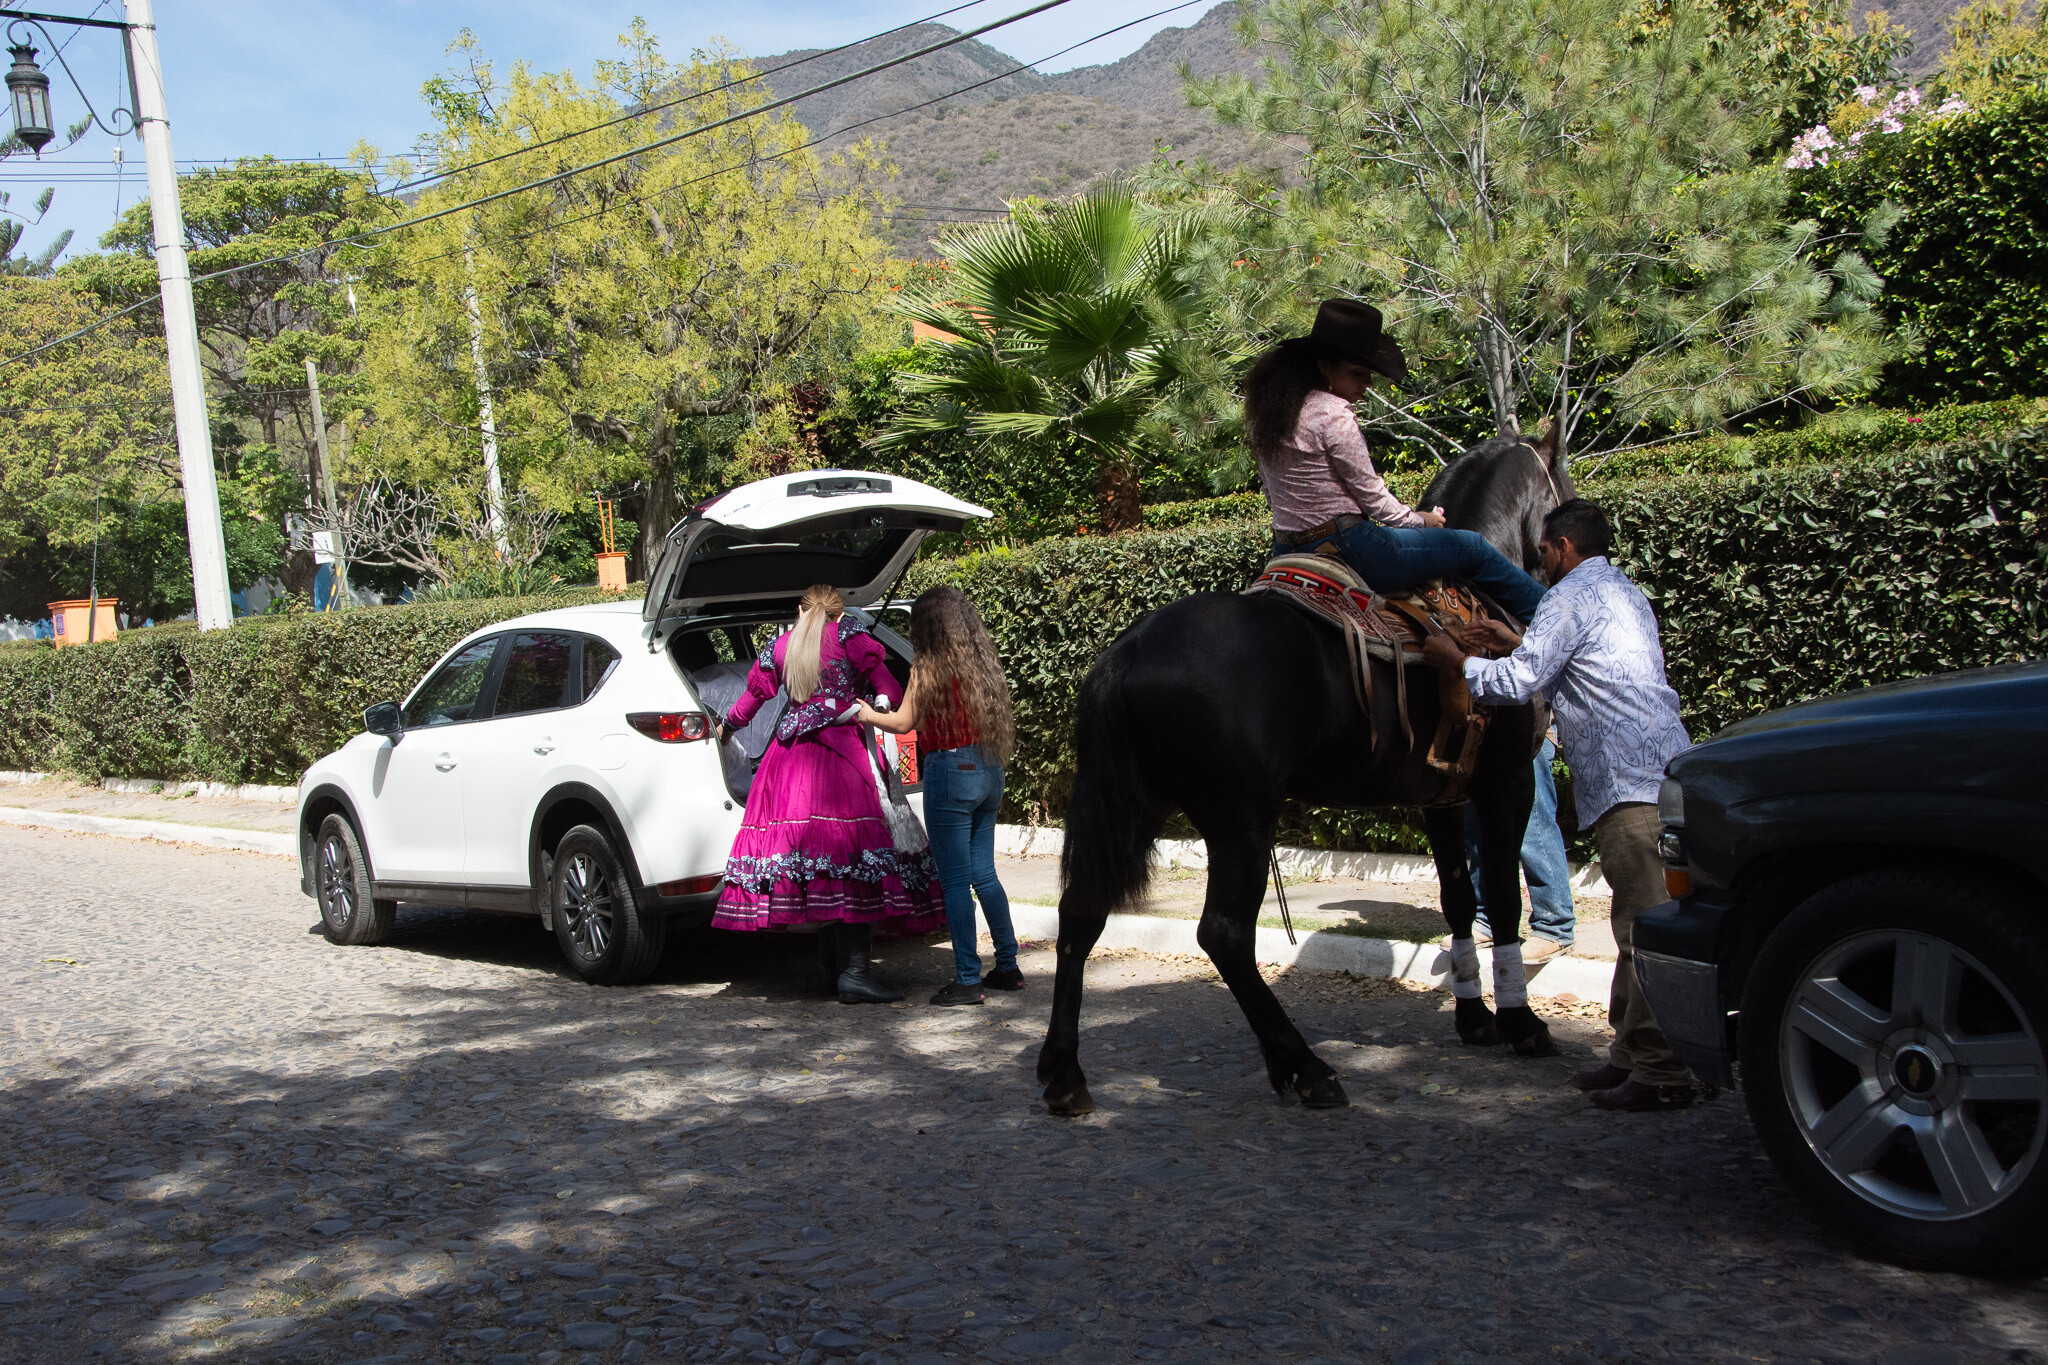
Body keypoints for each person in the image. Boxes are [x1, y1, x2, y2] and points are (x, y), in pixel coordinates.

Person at [1422, 499, 1695, 1112]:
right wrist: (1515, 640)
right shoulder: (1622, 593)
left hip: (1631, 787)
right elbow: (1576, 668)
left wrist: (1456, 661)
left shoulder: (1565, 599)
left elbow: (1520, 683)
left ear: (1563, 548)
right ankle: (1630, 1054)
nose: (1539, 559)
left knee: (1645, 926)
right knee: (1635, 922)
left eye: (1543, 550)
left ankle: (1660, 1071)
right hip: (1659, 773)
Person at [1246, 298, 1547, 624]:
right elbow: (1371, 496)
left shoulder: (1272, 414)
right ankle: (1559, 619)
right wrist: (1421, 521)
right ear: (1325, 367)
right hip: (1350, 548)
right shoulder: (1334, 414)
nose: (1368, 384)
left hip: (1286, 551)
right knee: (1473, 547)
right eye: (1358, 373)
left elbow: (1269, 488)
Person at [714, 584, 946, 1004]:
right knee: (851, 859)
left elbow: (748, 704)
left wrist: (725, 727)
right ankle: (854, 973)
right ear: (838, 613)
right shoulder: (848, 634)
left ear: (799, 611)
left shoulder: (780, 646)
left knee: (817, 867)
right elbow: (890, 690)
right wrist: (873, 704)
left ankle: (832, 972)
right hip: (843, 757)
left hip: (788, 762)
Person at [858, 586, 1022, 1007]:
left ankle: (967, 980)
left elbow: (903, 721)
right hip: (989, 769)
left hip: (950, 773)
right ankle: (1007, 966)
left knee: (954, 882)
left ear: (924, 624)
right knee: (984, 874)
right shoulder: (980, 662)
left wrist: (865, 713)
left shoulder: (927, 666)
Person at [1458, 731, 1576, 962]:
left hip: (1528, 727)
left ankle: (1554, 926)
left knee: (1533, 820)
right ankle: (1486, 918)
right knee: (1476, 824)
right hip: (1475, 730)